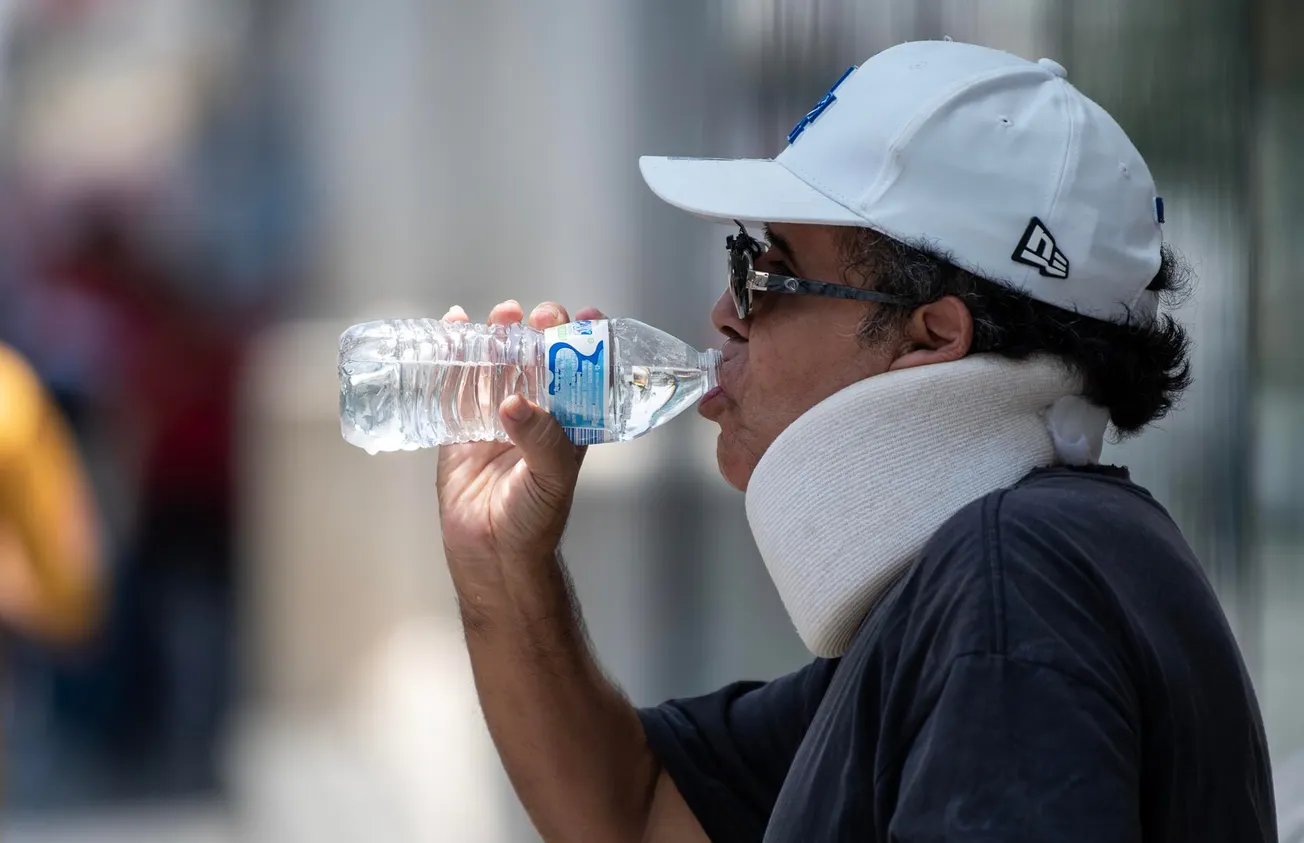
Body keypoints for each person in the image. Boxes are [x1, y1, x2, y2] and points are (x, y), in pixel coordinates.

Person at [433, 41, 1276, 842]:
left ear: (929, 335)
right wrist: (503, 565)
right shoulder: (1018, 567)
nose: (725, 314)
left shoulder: (1014, 584)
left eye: (764, 270)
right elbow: (636, 813)